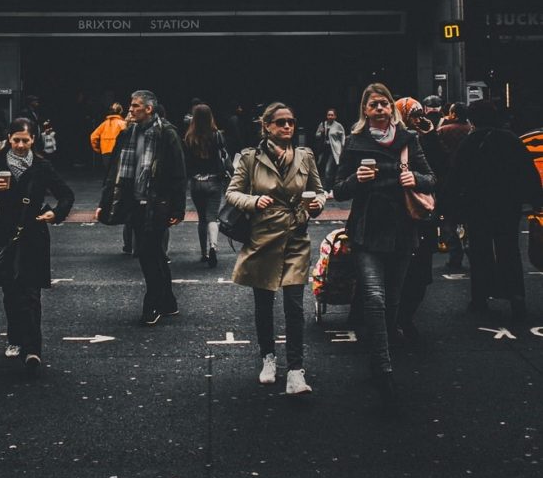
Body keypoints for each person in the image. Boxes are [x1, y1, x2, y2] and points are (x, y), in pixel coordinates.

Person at [333, 83, 435, 407]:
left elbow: (431, 178)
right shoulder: (355, 143)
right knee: (374, 298)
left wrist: (415, 179)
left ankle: (380, 354)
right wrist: (355, 181)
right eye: (374, 104)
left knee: (392, 302)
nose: (380, 109)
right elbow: (338, 190)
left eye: (385, 104)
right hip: (367, 233)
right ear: (365, 110)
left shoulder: (408, 140)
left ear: (392, 108)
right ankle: (384, 369)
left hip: (403, 233)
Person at [225, 102, 325, 394]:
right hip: (263, 238)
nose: (287, 127)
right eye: (280, 122)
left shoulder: (305, 157)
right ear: (266, 126)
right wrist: (254, 202)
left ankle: (296, 369)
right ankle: (268, 358)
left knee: (294, 306)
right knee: (264, 304)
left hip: (295, 237)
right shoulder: (250, 159)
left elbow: (319, 191)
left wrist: (317, 204)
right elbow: (232, 192)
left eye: (291, 122)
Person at [0, 118, 74, 375]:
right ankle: (15, 337)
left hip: (33, 232)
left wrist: (56, 213)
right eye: (16, 140)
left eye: (26, 140)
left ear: (34, 140)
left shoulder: (42, 166)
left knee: (31, 293)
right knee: (10, 290)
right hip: (3, 233)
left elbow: (66, 194)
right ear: (9, 139)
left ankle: (33, 348)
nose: (20, 145)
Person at [444, 99, 542, 321]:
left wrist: (447, 207)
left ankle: (480, 299)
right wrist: (536, 200)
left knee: (480, 252)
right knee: (509, 249)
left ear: (473, 119)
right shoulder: (511, 140)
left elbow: (456, 176)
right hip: (508, 205)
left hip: (477, 206)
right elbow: (527, 171)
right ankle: (517, 297)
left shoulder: (471, 142)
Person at [96, 89, 186, 325]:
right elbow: (114, 171)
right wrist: (105, 202)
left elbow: (178, 172)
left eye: (136, 105)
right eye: (131, 105)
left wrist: (178, 208)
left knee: (147, 254)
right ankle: (168, 302)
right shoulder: (127, 133)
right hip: (134, 203)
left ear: (149, 108)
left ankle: (152, 305)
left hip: (157, 204)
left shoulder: (167, 134)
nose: (131, 109)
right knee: (154, 254)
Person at [393, 97, 440, 341]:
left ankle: (405, 317)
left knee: (420, 274)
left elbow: (437, 173)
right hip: (395, 214)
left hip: (422, 213)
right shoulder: (391, 138)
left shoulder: (427, 138)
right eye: (412, 114)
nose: (418, 119)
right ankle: (394, 319)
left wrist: (430, 137)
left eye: (420, 114)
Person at [183, 102, 231, 268]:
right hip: (214, 181)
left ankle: (203, 252)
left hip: (196, 182)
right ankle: (213, 247)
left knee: (201, 218)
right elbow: (223, 156)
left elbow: (186, 163)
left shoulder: (189, 137)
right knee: (212, 217)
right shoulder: (217, 135)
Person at [434, 101, 472, 269]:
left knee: (448, 219)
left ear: (454, 114)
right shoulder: (471, 131)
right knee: (470, 219)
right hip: (469, 182)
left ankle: (455, 255)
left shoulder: (442, 131)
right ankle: (472, 250)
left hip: (447, 181)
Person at [313, 108, 345, 194]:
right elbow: (317, 135)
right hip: (324, 149)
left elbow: (343, 137)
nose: (330, 116)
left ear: (335, 116)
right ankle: (327, 188)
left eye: (332, 115)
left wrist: (342, 148)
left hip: (334, 150)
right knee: (320, 167)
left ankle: (328, 189)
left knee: (329, 169)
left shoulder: (338, 126)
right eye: (328, 115)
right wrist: (321, 132)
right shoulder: (323, 124)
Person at [90, 103, 127, 173]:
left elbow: (93, 136)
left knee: (109, 172)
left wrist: (97, 149)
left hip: (105, 151)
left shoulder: (104, 124)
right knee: (117, 173)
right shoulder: (123, 123)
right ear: (120, 112)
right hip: (118, 151)